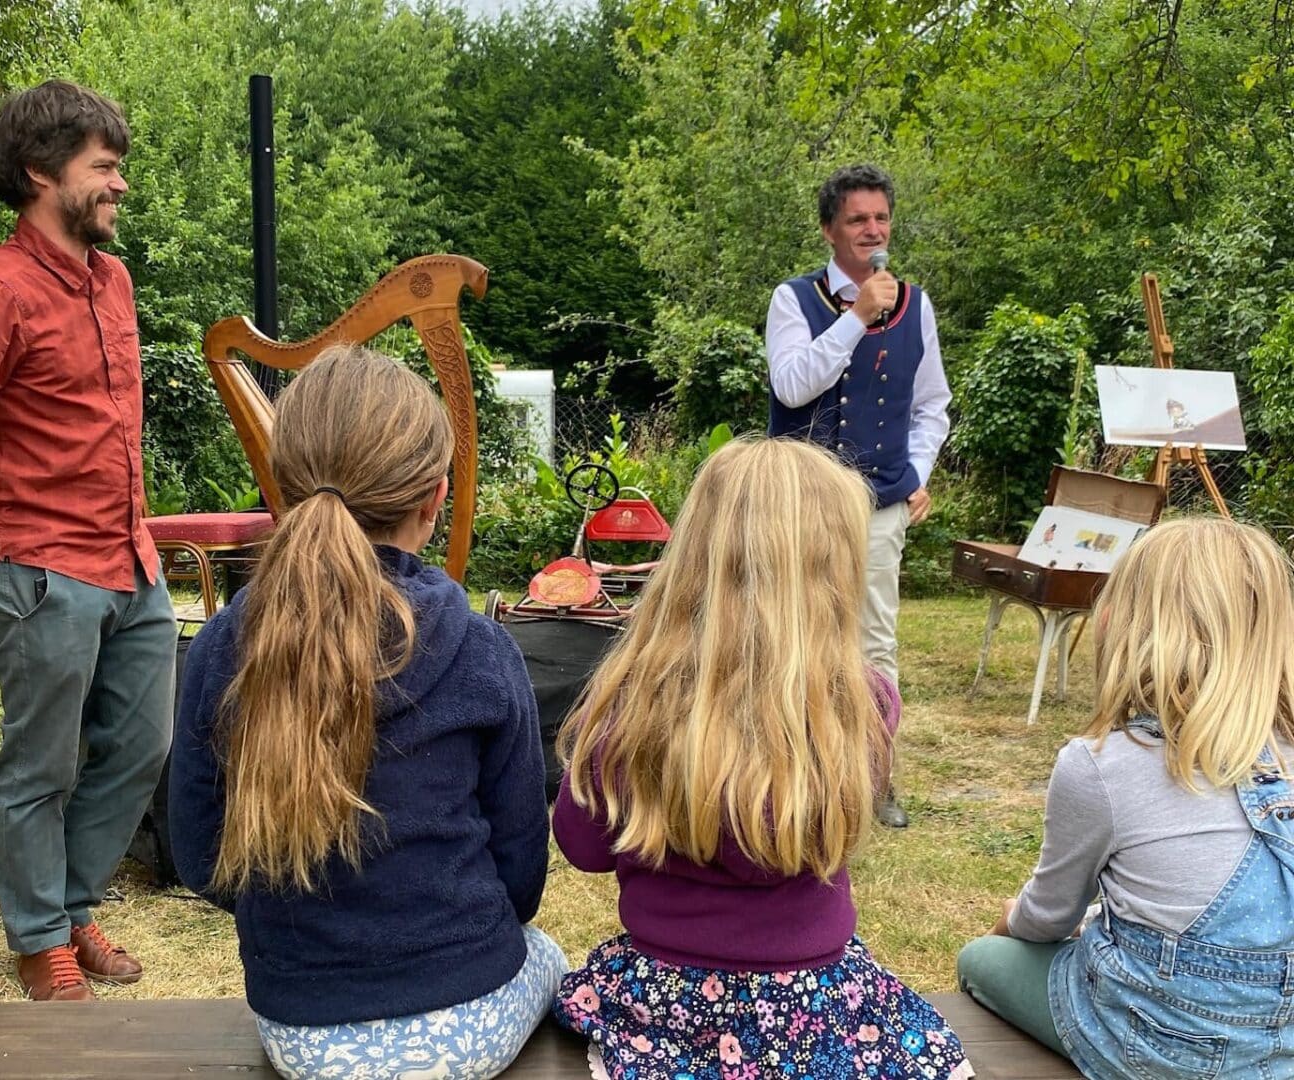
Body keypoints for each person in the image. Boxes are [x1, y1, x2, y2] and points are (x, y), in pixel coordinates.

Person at [169, 347, 565, 1080]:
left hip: (304, 1035)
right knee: (553, 958)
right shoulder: (483, 648)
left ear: (283, 487)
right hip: (468, 1022)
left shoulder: (225, 645)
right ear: (434, 498)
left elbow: (199, 858)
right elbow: (522, 877)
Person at [552, 438, 974, 1080]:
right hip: (817, 996)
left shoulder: (629, 701)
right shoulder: (864, 702)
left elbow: (581, 848)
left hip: (667, 1002)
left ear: (690, 558)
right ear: (837, 572)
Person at [0, 80, 175, 1001]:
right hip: (38, 566)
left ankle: (69, 905)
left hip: (128, 556)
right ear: (39, 172)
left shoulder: (114, 279)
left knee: (142, 743)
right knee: (43, 762)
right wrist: (13, 499)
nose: (119, 185)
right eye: (104, 167)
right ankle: (38, 939)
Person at [958, 517, 1294, 1077]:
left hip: (1157, 1051)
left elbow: (1048, 919)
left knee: (982, 960)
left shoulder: (1102, 765)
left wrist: (1009, 919)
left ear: (1129, 624)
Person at [765, 163, 952, 828]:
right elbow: (791, 387)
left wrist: (918, 471)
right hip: (800, 505)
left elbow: (933, 405)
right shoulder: (794, 300)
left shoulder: (917, 306)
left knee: (873, 641)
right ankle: (792, 771)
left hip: (879, 503)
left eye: (880, 218)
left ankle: (875, 777)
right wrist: (855, 319)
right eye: (857, 220)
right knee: (792, 634)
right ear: (830, 230)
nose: (873, 231)